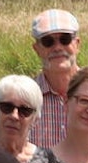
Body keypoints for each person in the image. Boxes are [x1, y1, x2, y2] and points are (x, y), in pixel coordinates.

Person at [29, 8, 80, 147]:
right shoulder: (24, 100)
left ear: (77, 44)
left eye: (65, 39)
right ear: (36, 49)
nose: (57, 47)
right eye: (48, 41)